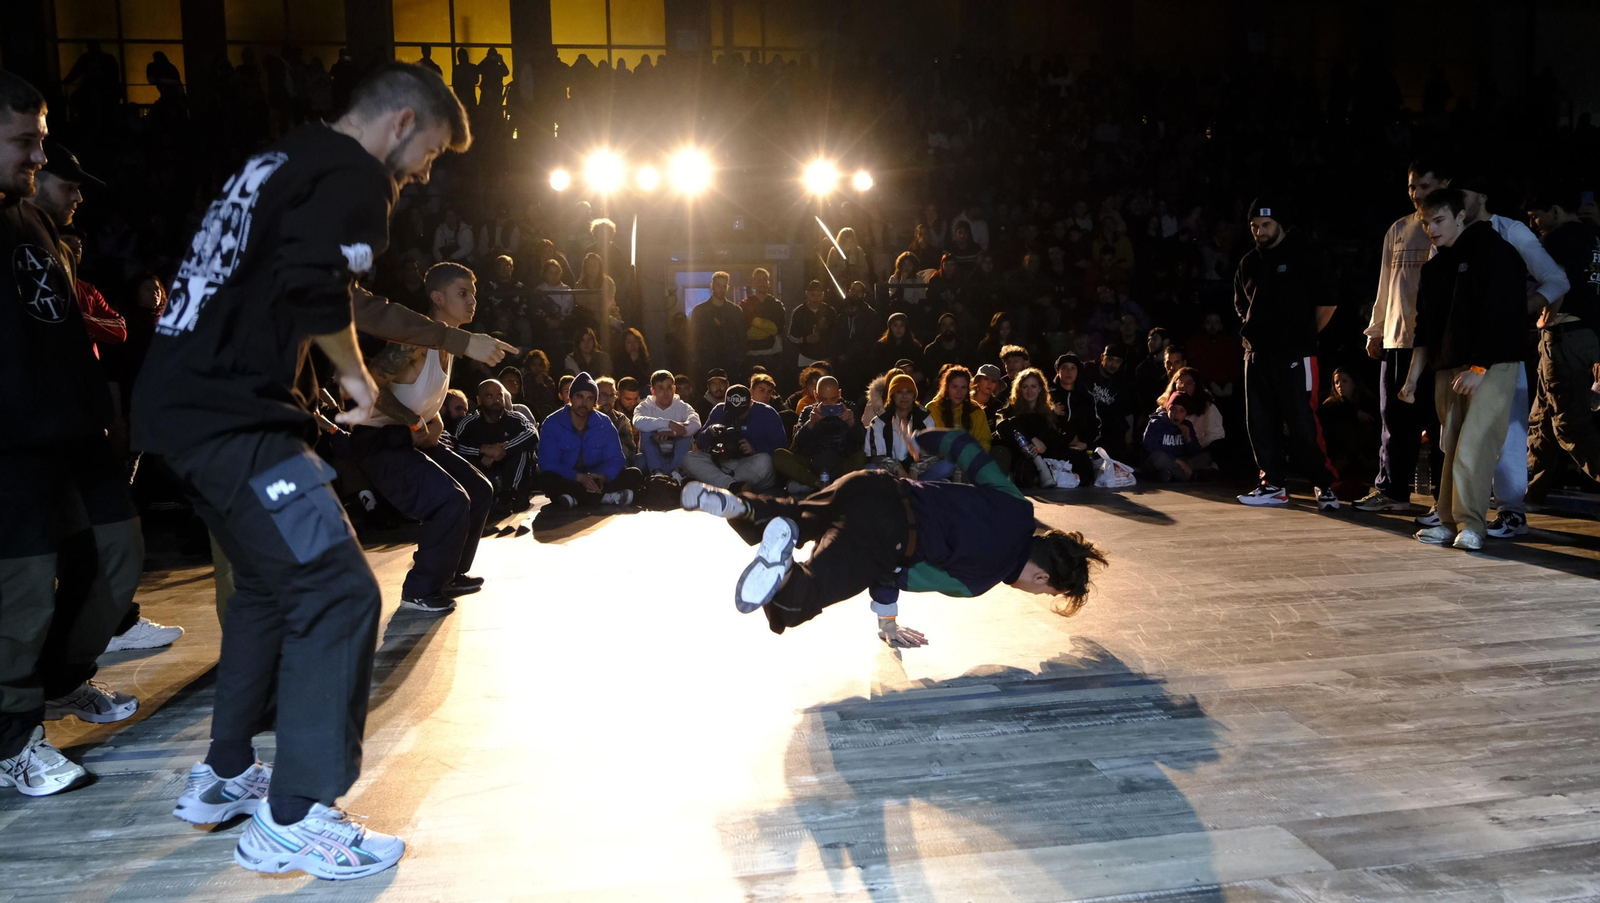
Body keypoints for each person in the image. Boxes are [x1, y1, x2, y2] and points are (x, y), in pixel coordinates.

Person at [130, 63, 474, 877]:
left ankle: (222, 773)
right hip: (233, 417)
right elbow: (314, 282)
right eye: (427, 154)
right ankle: (294, 816)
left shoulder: (279, 159)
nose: (423, 174)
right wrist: (356, 379)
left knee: (265, 589)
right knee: (339, 590)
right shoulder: (355, 174)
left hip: (180, 404)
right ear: (399, 124)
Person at [0, 70, 141, 800]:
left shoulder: (35, 219)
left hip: (79, 435)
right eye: (24, 141)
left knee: (120, 558)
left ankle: (58, 682)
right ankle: (13, 739)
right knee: (23, 597)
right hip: (13, 446)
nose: (37, 156)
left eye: (41, 140)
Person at [680, 429, 1107, 648]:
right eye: (1043, 591)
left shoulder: (1019, 507)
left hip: (876, 484)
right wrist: (888, 622)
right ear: (1042, 578)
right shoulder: (978, 581)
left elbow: (963, 447)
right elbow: (900, 572)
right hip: (886, 535)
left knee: (799, 515)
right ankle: (787, 570)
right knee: (799, 602)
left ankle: (738, 506)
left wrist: (921, 442)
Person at [351, 262, 493, 613]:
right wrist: (414, 422)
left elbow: (424, 397)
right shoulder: (414, 343)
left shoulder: (449, 345)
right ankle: (419, 589)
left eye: (473, 293)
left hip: (415, 438)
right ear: (437, 298)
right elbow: (363, 386)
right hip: (379, 440)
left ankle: (450, 574)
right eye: (463, 293)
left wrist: (435, 423)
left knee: (479, 490)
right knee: (450, 500)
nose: (472, 300)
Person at [1400, 188, 1529, 551]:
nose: (1431, 229)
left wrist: (1479, 365)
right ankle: (1449, 520)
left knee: (1474, 446)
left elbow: (1502, 314)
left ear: (1460, 216)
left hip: (1491, 365)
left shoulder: (1495, 252)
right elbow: (1425, 328)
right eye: (1426, 222)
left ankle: (1471, 523)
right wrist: (1412, 377)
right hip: (1450, 366)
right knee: (1452, 445)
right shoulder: (1436, 266)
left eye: (1438, 220)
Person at [1451, 170, 1569, 540]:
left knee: (1509, 431)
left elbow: (1557, 279)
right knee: (1456, 433)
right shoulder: (1453, 233)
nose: (1457, 201)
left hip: (1502, 349)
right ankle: (1457, 512)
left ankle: (1512, 511)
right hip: (1461, 349)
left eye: (1464, 194)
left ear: (1482, 197)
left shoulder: (1511, 230)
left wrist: (1523, 308)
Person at [1232, 199, 1340, 510]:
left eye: (1265, 225)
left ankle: (1324, 484)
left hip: (1296, 356)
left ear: (1280, 224)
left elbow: (1328, 303)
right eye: (1254, 226)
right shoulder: (1248, 262)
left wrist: (1303, 339)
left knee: (1303, 422)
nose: (1259, 231)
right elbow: (1242, 307)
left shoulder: (1306, 254)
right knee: (1260, 423)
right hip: (1256, 356)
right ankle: (1273, 485)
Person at [1355, 159, 1449, 514]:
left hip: (1434, 343)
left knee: (1437, 422)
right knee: (1394, 421)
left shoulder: (1451, 229)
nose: (1417, 194)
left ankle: (1444, 498)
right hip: (1397, 339)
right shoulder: (1398, 229)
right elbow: (1385, 283)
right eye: (1412, 187)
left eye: (1424, 187)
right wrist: (1375, 329)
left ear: (1443, 184)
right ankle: (1392, 491)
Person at [1524, 189, 1600, 501]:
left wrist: (1545, 315)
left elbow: (1557, 283)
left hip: (1564, 335)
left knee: (1569, 424)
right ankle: (1529, 490)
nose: (1535, 223)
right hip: (1588, 336)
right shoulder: (1593, 238)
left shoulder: (1555, 240)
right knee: (1542, 418)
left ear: (1555, 209)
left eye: (1536, 215)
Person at [535, 372, 645, 509]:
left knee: (634, 474)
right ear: (571, 397)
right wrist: (579, 477)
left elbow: (616, 458)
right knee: (546, 478)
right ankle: (605, 497)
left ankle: (575, 498)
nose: (584, 403)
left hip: (597, 478)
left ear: (595, 402)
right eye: (580, 397)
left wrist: (601, 477)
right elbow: (548, 462)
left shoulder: (604, 423)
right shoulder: (552, 423)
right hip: (569, 478)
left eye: (589, 398)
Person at [996, 367, 1094, 489]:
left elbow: (1054, 435)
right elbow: (1002, 425)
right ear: (1019, 390)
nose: (1029, 391)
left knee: (1080, 457)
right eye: (1025, 387)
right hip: (1024, 452)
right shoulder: (1011, 409)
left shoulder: (1047, 411)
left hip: (1046, 451)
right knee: (1026, 463)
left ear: (1040, 388)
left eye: (1033, 386)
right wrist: (1032, 439)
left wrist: (1073, 441)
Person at [455, 378, 539, 511]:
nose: (496, 400)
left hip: (511, 472)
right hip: (483, 473)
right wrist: (485, 449)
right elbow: (458, 446)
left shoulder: (515, 418)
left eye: (499, 395)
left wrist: (503, 450)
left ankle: (513, 494)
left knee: (523, 448)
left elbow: (532, 434)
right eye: (489, 396)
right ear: (479, 400)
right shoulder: (469, 423)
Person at [684, 383, 785, 491]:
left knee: (765, 461)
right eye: (732, 411)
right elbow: (699, 443)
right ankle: (733, 486)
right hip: (724, 464)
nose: (737, 415)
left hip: (752, 466)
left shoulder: (767, 413)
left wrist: (754, 449)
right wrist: (711, 431)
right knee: (689, 458)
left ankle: (721, 484)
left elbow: (781, 449)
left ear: (751, 403)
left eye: (741, 412)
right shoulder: (719, 411)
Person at [776, 375, 866, 492]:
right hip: (813, 463)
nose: (828, 404)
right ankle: (817, 483)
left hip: (840, 462)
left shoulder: (849, 409)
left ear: (839, 394)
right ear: (816, 395)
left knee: (861, 456)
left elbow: (863, 440)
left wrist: (852, 423)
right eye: (824, 400)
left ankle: (816, 485)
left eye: (833, 399)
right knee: (779, 456)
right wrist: (810, 424)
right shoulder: (809, 411)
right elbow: (797, 444)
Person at [865, 373, 949, 480]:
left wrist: (915, 470)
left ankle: (915, 486)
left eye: (909, 392)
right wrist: (898, 469)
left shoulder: (925, 419)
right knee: (871, 468)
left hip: (919, 474)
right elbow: (876, 456)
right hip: (891, 475)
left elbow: (932, 452)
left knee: (947, 465)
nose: (904, 396)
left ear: (914, 395)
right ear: (892, 395)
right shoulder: (879, 421)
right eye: (899, 392)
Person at [1318, 367, 1380, 499]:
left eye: (1344, 381)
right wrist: (1354, 412)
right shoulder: (1330, 404)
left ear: (1354, 383)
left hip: (1363, 452)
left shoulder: (1367, 402)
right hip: (1339, 453)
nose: (1340, 386)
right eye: (1337, 383)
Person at [633, 369, 701, 477]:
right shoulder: (644, 406)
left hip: (677, 457)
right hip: (652, 459)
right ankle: (658, 475)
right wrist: (668, 424)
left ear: (674, 389)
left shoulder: (682, 406)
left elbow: (696, 422)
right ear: (653, 391)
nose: (666, 392)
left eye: (669, 387)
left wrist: (674, 432)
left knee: (684, 434)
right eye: (660, 388)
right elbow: (637, 421)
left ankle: (676, 475)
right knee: (643, 444)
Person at [690, 271, 748, 387]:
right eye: (718, 285)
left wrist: (739, 360)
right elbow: (693, 338)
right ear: (712, 286)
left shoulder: (735, 311)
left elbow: (741, 338)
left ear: (728, 287)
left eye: (724, 285)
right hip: (707, 362)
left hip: (730, 363)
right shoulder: (699, 311)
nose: (721, 289)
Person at [1140, 393, 1208, 482]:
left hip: (1179, 462)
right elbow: (1151, 446)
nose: (1176, 414)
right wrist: (1178, 461)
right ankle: (1186, 476)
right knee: (1159, 458)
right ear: (1168, 409)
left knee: (1206, 457)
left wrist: (1188, 439)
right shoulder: (1157, 423)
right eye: (1173, 409)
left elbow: (1195, 451)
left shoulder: (1187, 425)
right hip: (1162, 461)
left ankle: (1170, 475)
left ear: (1186, 414)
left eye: (1181, 411)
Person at [1086, 343, 1137, 462]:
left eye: (1118, 361)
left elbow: (1128, 411)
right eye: (1110, 360)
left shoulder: (1122, 381)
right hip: (1088, 420)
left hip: (1109, 428)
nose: (1113, 365)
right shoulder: (1089, 369)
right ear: (1102, 357)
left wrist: (1128, 441)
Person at [926, 365, 993, 450]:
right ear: (947, 388)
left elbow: (984, 441)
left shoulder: (976, 411)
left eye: (963, 387)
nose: (959, 392)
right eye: (955, 387)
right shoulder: (933, 409)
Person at [1048, 353, 1102, 454]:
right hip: (1054, 449)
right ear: (1058, 371)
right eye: (1064, 368)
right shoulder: (1048, 395)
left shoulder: (1086, 396)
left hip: (1080, 449)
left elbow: (1095, 425)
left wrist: (1086, 443)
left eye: (1073, 368)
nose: (1069, 372)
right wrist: (1050, 410)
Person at [742, 267, 787, 374]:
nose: (762, 283)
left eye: (765, 279)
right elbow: (745, 331)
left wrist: (754, 321)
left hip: (773, 357)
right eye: (759, 280)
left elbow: (777, 329)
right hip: (751, 357)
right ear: (753, 283)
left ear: (769, 283)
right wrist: (767, 329)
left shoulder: (776, 305)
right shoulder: (745, 305)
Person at [788, 279, 836, 369]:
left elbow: (836, 335)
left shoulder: (830, 311)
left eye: (818, 295)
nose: (815, 298)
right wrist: (805, 339)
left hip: (825, 357)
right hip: (805, 357)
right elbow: (791, 336)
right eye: (812, 295)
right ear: (807, 294)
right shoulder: (798, 312)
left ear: (823, 295)